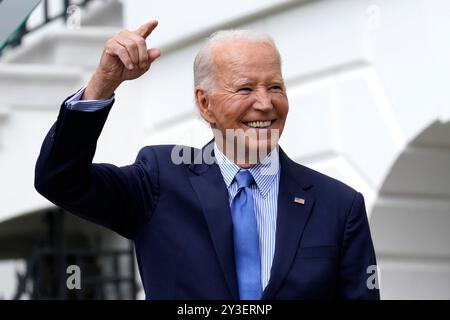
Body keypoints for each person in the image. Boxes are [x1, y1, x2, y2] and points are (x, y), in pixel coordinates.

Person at [35, 20, 380, 300]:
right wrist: (102, 84)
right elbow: (60, 179)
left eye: (275, 87)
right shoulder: (159, 182)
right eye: (245, 89)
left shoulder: (338, 205)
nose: (265, 103)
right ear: (205, 104)